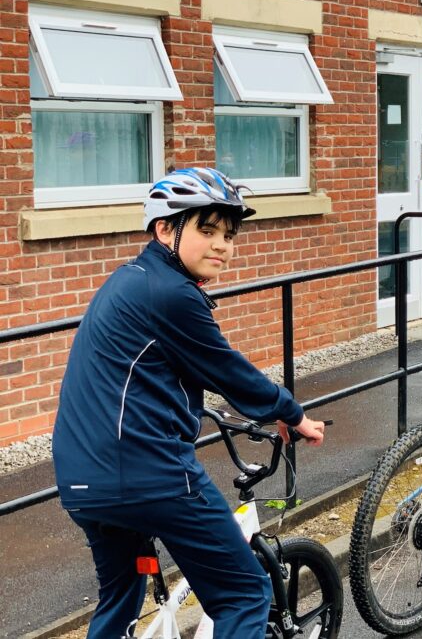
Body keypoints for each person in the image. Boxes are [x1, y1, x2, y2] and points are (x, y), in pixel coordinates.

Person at [51, 167, 327, 639]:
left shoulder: (127, 281)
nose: (222, 244)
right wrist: (291, 412)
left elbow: (146, 377)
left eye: (228, 233)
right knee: (244, 595)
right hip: (148, 474)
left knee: (120, 598)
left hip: (80, 477)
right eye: (206, 229)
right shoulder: (172, 293)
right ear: (164, 229)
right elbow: (228, 371)